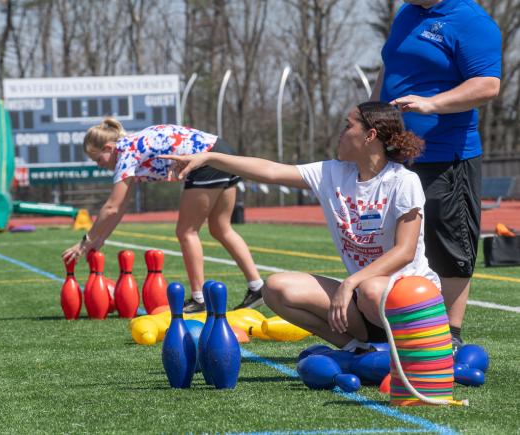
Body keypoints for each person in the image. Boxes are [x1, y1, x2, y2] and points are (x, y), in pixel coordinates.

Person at [162, 101, 439, 348]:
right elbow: (270, 171)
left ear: (370, 135)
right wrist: (209, 158)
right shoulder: (332, 173)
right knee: (276, 289)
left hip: (406, 298)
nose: (340, 133)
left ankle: (415, 350)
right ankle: (357, 349)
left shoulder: (403, 181)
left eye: (348, 126)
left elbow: (404, 251)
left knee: (370, 291)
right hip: (362, 296)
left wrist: (349, 284)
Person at [371, 0, 502, 352]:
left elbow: (488, 84)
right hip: (397, 152)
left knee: (448, 240)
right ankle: (402, 323)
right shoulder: (407, 12)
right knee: (397, 239)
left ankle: (450, 333)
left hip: (445, 155)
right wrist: (371, 112)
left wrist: (432, 104)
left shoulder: (472, 20)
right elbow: (389, 66)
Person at [61, 119, 264, 313]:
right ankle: (257, 287)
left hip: (206, 161)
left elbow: (111, 207)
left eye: (98, 159)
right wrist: (100, 239)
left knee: (186, 232)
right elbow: (120, 207)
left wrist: (84, 244)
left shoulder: (126, 153)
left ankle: (199, 298)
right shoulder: (132, 147)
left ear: (108, 147)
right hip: (222, 150)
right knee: (221, 228)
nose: (99, 164)